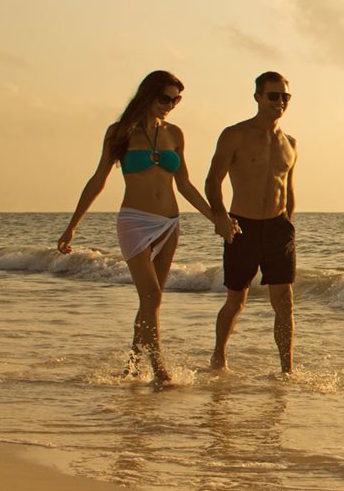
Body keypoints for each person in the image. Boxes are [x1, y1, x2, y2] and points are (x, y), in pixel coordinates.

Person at [57, 70, 237, 384]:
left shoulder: (175, 134)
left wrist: (217, 219)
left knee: (151, 301)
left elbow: (185, 185)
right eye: (165, 98)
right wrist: (73, 225)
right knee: (152, 296)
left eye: (176, 99)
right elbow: (98, 180)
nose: (171, 105)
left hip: (169, 223)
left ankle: (133, 365)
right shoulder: (120, 133)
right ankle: (160, 370)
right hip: (134, 222)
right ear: (147, 95)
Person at [205, 71, 299, 373]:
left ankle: (287, 369)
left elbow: (289, 188)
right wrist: (220, 216)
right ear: (258, 97)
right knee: (236, 300)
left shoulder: (291, 143)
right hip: (242, 225)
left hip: (278, 228)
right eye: (273, 96)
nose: (280, 102)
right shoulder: (235, 134)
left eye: (285, 96)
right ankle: (219, 355)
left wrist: (288, 224)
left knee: (284, 301)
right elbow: (212, 181)